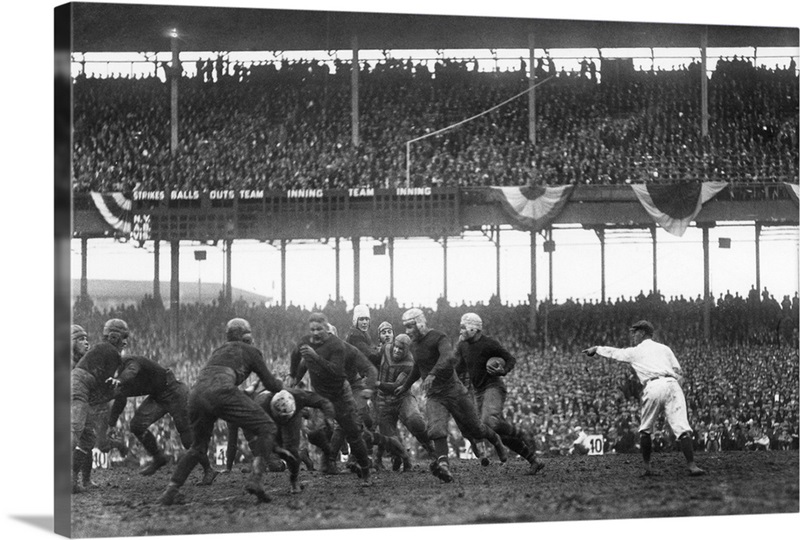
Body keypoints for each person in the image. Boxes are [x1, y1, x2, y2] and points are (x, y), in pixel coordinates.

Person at [158, 318, 291, 505]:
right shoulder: (251, 351)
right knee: (267, 426)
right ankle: (256, 480)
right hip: (221, 391)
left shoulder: (218, 350)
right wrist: (282, 385)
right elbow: (270, 384)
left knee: (198, 447)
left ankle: (170, 490)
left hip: (196, 394)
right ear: (246, 336)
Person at [393, 308, 509, 483]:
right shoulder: (414, 345)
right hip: (435, 394)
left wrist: (433, 374)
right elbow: (417, 368)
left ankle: (496, 441)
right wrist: (405, 386)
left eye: (410, 326)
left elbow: (447, 357)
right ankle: (444, 465)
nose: (408, 331)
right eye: (406, 327)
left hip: (454, 390)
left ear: (420, 323)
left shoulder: (439, 337)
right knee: (436, 428)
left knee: (475, 427)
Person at [582, 320, 706, 477]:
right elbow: (679, 373)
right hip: (672, 384)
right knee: (682, 427)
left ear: (642, 333)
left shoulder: (636, 351)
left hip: (653, 385)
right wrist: (675, 388)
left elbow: (615, 353)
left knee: (646, 429)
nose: (633, 336)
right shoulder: (665, 348)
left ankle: (647, 468)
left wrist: (597, 349)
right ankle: (692, 465)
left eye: (635, 332)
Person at [288, 312, 374, 485]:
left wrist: (315, 357)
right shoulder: (307, 341)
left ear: (327, 330)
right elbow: (296, 354)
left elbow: (336, 371)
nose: (316, 333)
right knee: (313, 433)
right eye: (313, 329)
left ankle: (365, 471)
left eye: (319, 329)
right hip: (320, 396)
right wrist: (292, 376)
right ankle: (329, 456)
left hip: (340, 394)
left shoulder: (337, 346)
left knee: (353, 434)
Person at [454, 313, 544, 475]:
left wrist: (503, 371)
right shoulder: (463, 346)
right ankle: (533, 460)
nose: (461, 331)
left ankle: (520, 433)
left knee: (489, 422)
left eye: (463, 327)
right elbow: (459, 367)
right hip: (478, 391)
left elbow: (510, 359)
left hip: (493, 386)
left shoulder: (489, 344)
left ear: (474, 328)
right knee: (493, 432)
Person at [107, 354, 217, 484]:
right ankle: (158, 457)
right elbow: (120, 400)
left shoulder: (129, 362)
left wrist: (119, 380)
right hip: (158, 396)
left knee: (187, 438)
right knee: (137, 425)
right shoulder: (118, 376)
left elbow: (132, 370)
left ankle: (208, 469)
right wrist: (112, 423)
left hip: (174, 392)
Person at [226, 386, 337, 493]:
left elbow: (323, 401)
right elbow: (254, 436)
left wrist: (329, 418)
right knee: (271, 451)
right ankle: (256, 478)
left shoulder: (298, 396)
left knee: (291, 451)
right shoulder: (259, 407)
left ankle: (294, 480)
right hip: (270, 421)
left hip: (292, 419)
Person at [71, 319, 130, 494]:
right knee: (75, 430)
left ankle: (78, 480)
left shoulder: (93, 355)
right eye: (80, 339)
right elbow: (103, 384)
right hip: (77, 392)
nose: (86, 342)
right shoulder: (109, 352)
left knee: (88, 438)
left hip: (83, 393)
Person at [375, 333, 435, 470]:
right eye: (395, 347)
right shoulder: (385, 348)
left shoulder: (409, 363)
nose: (396, 350)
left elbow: (396, 386)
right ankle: (394, 458)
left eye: (400, 349)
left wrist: (377, 382)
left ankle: (432, 450)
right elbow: (372, 358)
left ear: (407, 350)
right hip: (383, 400)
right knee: (388, 435)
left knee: (415, 420)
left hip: (402, 397)